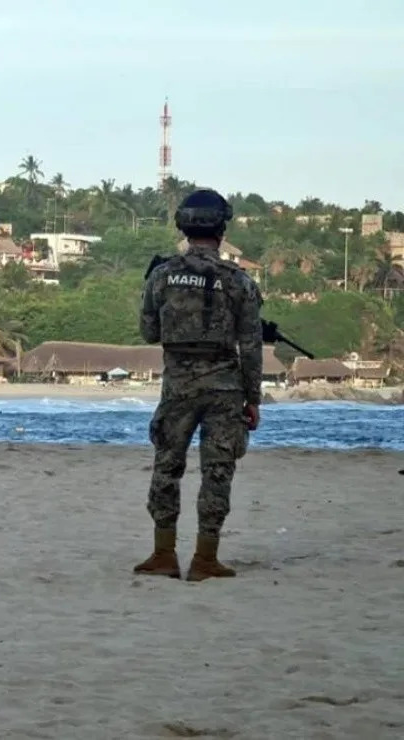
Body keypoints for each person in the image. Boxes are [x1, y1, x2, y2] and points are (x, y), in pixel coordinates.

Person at [135, 188, 263, 582]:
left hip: (178, 387)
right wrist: (253, 399)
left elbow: (148, 332)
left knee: (167, 467)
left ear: (184, 227)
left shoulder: (161, 275)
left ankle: (163, 554)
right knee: (217, 473)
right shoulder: (238, 281)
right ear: (221, 230)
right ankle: (205, 558)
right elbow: (252, 346)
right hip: (225, 389)